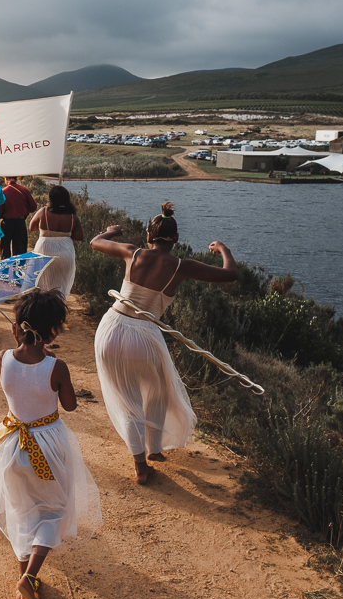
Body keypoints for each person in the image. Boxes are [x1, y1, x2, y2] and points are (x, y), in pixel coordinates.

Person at [90, 202, 238, 484]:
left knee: (128, 399)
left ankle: (145, 459)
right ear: (177, 240)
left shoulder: (132, 253)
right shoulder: (182, 266)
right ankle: (149, 457)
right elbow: (231, 275)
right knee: (157, 390)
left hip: (111, 326)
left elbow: (96, 242)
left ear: (148, 237)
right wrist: (223, 250)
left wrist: (110, 231)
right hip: (145, 334)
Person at [0, 289, 101, 599]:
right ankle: (30, 577)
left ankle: (24, 573)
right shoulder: (56, 366)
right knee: (53, 511)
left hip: (10, 442)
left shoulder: (3, 357)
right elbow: (70, 405)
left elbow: (16, 393)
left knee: (21, 508)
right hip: (46, 444)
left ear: (16, 327)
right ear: (54, 330)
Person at [30, 186, 83, 299]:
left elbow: (32, 227)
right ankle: (58, 307)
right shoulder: (73, 217)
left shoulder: (43, 212)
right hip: (66, 251)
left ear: (51, 199)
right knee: (61, 284)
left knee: (42, 283)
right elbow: (79, 236)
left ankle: (41, 308)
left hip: (44, 249)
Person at [0, 176, 38, 260]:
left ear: (6, 179)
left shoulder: (3, 192)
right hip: (20, 223)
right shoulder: (24, 190)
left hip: (7, 223)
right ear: (16, 179)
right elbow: (33, 207)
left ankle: (5, 271)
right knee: (20, 252)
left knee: (5, 250)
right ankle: (19, 271)